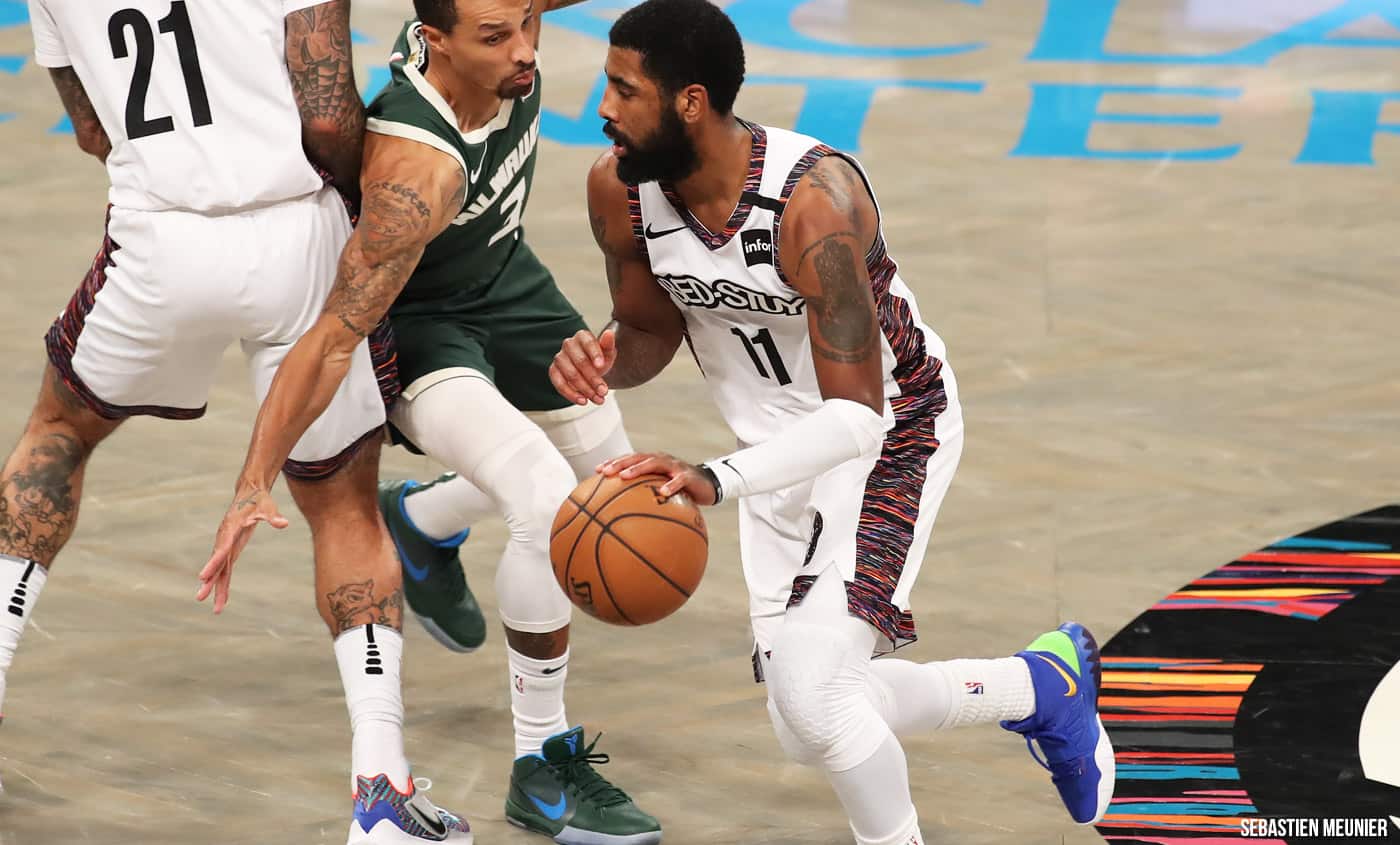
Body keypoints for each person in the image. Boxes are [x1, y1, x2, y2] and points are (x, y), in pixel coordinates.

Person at [547, 1, 1117, 843]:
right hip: (776, 452)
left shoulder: (813, 201)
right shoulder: (621, 189)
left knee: (818, 700)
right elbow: (648, 330)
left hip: (892, 432)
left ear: (691, 102)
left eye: (624, 89)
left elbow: (855, 417)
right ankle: (1040, 687)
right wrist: (603, 360)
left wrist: (715, 479)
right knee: (804, 721)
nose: (602, 107)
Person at [5, 1, 471, 842]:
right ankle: (381, 788)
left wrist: (180, 159)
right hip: (298, 237)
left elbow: (91, 128)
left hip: (161, 241)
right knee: (343, 503)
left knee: (59, 435)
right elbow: (328, 119)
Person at [203, 2, 658, 844]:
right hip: (421, 329)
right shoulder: (416, 172)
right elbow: (331, 339)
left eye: (528, 23)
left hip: (506, 279)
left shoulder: (501, 24)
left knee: (611, 486)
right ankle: (541, 763)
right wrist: (252, 480)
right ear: (438, 41)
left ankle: (423, 521)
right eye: (496, 38)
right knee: (546, 499)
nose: (524, 51)